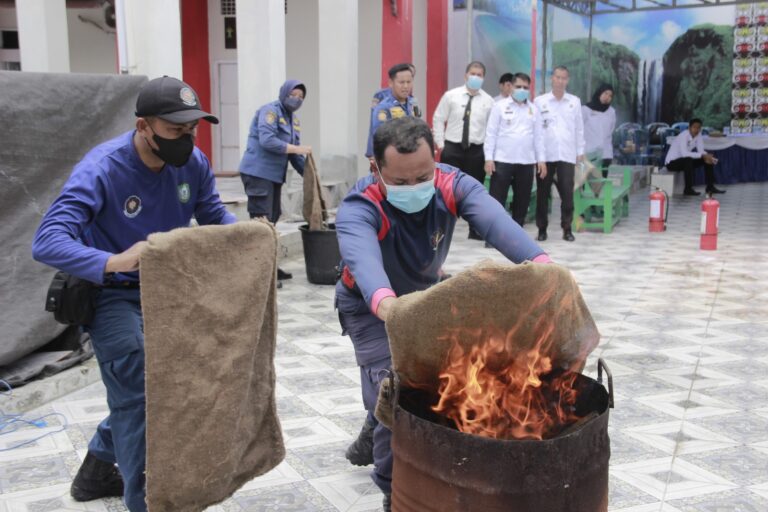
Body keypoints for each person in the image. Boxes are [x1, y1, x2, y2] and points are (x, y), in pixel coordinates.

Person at [31, 76, 237, 512]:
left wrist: (248, 236)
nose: (186, 139)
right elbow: (47, 240)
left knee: (165, 389)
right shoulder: (103, 168)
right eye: (174, 130)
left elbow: (212, 213)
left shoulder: (192, 163)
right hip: (111, 294)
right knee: (140, 391)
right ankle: (146, 501)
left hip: (171, 291)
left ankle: (94, 473)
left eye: (192, 129)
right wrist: (116, 261)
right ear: (144, 126)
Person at [335, 116, 551, 511]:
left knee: (432, 380)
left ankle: (372, 425)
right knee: (394, 389)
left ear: (435, 160)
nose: (414, 188)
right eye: (400, 183)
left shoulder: (452, 184)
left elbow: (497, 223)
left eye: (423, 176)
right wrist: (387, 304)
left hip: (422, 298)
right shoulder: (360, 206)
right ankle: (390, 488)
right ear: (375, 169)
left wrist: (544, 267)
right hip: (369, 307)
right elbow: (365, 265)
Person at [239, 80, 311, 281]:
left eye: (301, 97)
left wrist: (311, 175)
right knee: (261, 222)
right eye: (293, 94)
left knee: (272, 218)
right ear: (284, 92)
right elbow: (267, 139)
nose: (296, 99)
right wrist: (297, 149)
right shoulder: (269, 111)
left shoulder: (293, 120)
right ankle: (258, 273)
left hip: (274, 176)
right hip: (258, 173)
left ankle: (269, 267)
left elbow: (295, 156)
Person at [432, 61, 495, 240]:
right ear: (466, 75)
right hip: (452, 148)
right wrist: (440, 143)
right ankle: (442, 229)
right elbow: (438, 118)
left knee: (474, 190)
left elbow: (491, 130)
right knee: (446, 190)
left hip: (476, 150)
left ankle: (474, 229)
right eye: (472, 73)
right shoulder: (451, 96)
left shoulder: (488, 101)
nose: (475, 77)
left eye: (480, 75)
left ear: (483, 78)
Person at [484, 72, 546, 228]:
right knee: (496, 201)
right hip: (502, 161)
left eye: (525, 87)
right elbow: (491, 134)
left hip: (526, 162)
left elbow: (539, 137)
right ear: (510, 87)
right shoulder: (499, 107)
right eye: (518, 86)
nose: (522, 90)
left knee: (522, 202)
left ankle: (516, 236)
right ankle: (493, 235)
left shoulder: (534, 110)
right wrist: (488, 158)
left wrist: (541, 160)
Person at [533, 65, 585, 242]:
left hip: (567, 155)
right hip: (545, 156)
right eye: (557, 77)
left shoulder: (574, 101)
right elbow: (537, 132)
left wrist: (580, 151)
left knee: (567, 194)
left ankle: (567, 228)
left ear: (567, 80)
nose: (560, 81)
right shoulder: (540, 101)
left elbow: (579, 129)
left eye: (564, 78)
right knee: (542, 194)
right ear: (551, 79)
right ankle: (542, 228)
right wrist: (539, 158)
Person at [366, 63, 418, 159]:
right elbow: (380, 138)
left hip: (411, 158)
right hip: (391, 161)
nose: (406, 86)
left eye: (409, 82)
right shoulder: (384, 108)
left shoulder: (413, 103)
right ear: (391, 82)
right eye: (401, 82)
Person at [665, 118, 724, 195]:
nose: (696, 129)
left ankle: (710, 187)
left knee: (707, 160)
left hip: (684, 161)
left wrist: (710, 157)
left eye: (699, 127)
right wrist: (703, 155)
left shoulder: (698, 135)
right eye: (694, 127)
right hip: (672, 163)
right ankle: (688, 189)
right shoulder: (684, 136)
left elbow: (701, 151)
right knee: (688, 160)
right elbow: (684, 154)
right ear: (689, 128)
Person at [582, 83, 616, 178]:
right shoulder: (585, 110)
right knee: (583, 180)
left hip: (605, 153)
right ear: (599, 93)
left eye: (610, 96)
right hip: (588, 153)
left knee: (601, 182)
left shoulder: (611, 112)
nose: (607, 97)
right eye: (605, 93)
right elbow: (578, 129)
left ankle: (599, 194)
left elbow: (611, 129)